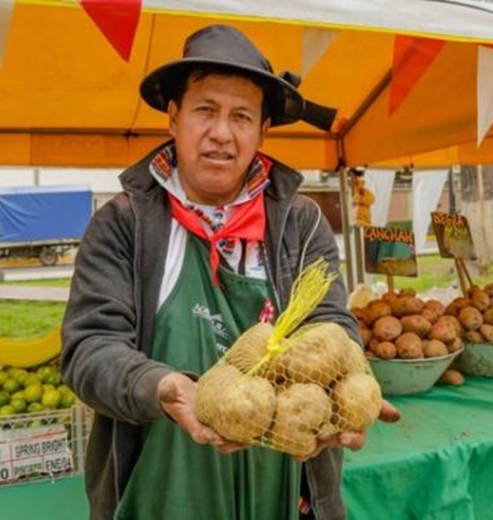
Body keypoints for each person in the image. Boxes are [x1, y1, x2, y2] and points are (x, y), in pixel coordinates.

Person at [61, 24, 398, 520]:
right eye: (205, 110)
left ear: (262, 130)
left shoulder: (300, 223)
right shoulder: (124, 223)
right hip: (163, 485)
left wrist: (345, 389)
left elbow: (332, 324)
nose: (222, 132)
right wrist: (164, 387)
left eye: (241, 116)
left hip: (286, 480)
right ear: (173, 118)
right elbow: (89, 349)